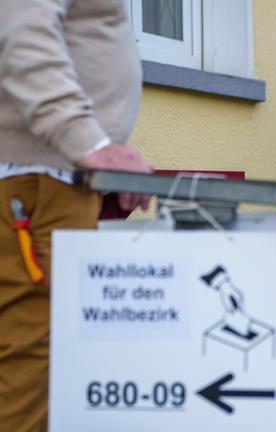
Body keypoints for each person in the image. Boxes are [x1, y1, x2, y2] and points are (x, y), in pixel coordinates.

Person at [0, 1, 152, 430]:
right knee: (31, 376)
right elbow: (23, 34)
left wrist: (104, 149)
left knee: (51, 377)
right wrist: (90, 145)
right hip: (38, 186)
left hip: (52, 181)